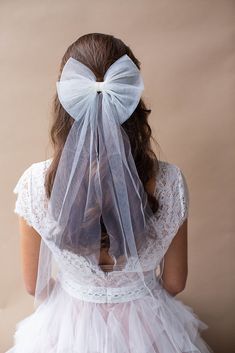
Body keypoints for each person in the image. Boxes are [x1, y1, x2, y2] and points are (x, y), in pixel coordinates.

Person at [6, 33, 213, 353]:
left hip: (67, 330)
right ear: (132, 102)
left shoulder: (36, 183)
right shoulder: (170, 182)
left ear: (65, 104)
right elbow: (175, 283)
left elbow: (36, 286)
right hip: (150, 327)